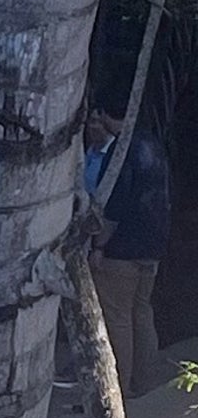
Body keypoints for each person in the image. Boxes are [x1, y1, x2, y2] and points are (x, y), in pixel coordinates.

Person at [87, 96, 171, 396]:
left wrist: (99, 246)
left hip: (122, 249)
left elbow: (115, 208)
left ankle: (117, 387)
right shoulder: (151, 144)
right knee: (141, 311)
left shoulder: (121, 150)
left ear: (106, 115)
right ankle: (146, 382)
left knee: (117, 318)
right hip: (152, 244)